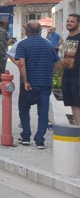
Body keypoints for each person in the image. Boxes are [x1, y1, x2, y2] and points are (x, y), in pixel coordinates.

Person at [14, 20, 60, 149]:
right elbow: (56, 64)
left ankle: (26, 136)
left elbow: (21, 64)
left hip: (29, 83)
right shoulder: (48, 45)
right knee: (43, 111)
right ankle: (40, 140)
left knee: (24, 108)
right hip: (45, 82)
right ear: (40, 31)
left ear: (26, 31)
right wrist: (48, 73)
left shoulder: (23, 45)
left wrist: (26, 81)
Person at [60, 13, 80, 125]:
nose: (69, 23)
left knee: (78, 103)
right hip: (68, 75)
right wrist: (63, 74)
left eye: (72, 21)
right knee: (73, 103)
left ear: (78, 24)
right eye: (68, 21)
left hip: (77, 76)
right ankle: (77, 128)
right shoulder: (68, 38)